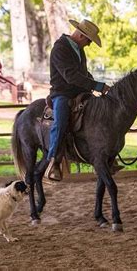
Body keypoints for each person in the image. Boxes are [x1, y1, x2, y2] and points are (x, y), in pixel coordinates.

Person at [45, 19, 110, 181]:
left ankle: (104, 156)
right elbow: (70, 76)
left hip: (80, 92)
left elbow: (83, 74)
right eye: (88, 40)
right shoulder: (60, 48)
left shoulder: (78, 50)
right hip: (63, 93)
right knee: (60, 123)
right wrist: (97, 86)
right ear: (81, 36)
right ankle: (53, 161)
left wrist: (96, 85)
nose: (88, 44)